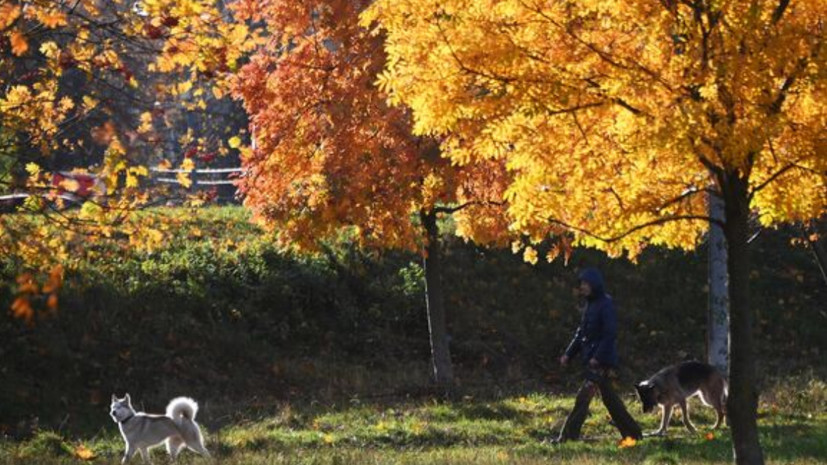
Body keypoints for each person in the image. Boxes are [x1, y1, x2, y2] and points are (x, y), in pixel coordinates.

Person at [554, 268, 642, 443]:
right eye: (581, 284)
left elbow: (610, 334)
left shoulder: (606, 304)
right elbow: (581, 334)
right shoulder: (590, 305)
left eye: (586, 284)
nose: (583, 287)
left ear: (595, 285)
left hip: (601, 362)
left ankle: (567, 438)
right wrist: (568, 355)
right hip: (592, 360)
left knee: (583, 397)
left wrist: (598, 357)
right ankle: (633, 433)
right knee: (610, 399)